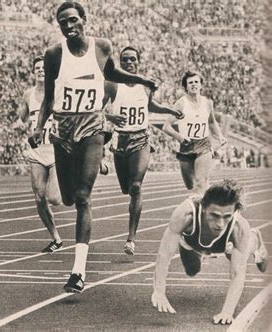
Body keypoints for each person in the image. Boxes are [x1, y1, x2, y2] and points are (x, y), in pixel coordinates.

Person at [30, 1, 158, 293]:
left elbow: (111, 73)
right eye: (63, 22)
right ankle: (83, 176)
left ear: (84, 20)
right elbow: (49, 98)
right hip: (63, 130)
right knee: (67, 199)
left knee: (83, 197)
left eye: (73, 20)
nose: (69, 26)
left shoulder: (102, 47)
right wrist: (39, 127)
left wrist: (141, 79)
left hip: (91, 127)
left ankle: (78, 272)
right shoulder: (53, 54)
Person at [151, 179, 268, 325]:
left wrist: (227, 311)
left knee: (234, 255)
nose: (220, 224)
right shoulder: (186, 213)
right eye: (215, 215)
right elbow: (164, 255)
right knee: (192, 270)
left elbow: (237, 274)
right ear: (204, 207)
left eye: (227, 217)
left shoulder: (239, 226)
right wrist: (159, 292)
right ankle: (198, 251)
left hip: (224, 244)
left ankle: (254, 239)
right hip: (193, 242)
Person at [104, 47, 184, 256]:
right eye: (125, 60)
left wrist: (168, 110)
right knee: (126, 189)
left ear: (139, 62)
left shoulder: (146, 86)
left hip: (141, 139)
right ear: (120, 64)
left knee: (136, 186)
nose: (129, 62)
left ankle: (131, 239)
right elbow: (98, 108)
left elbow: (150, 106)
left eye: (133, 59)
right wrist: (110, 118)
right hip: (120, 141)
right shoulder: (112, 85)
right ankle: (130, 197)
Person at [19, 55, 63, 253]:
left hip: (55, 150)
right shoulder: (28, 95)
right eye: (37, 68)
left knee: (54, 198)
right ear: (33, 72)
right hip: (37, 151)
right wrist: (21, 127)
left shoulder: (58, 92)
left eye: (44, 67)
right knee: (39, 198)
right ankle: (56, 238)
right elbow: (21, 119)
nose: (40, 70)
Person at [162, 70, 227, 195]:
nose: (194, 84)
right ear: (186, 87)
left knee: (200, 182)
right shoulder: (181, 104)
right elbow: (166, 126)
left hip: (203, 145)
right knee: (190, 185)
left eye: (196, 82)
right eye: (190, 82)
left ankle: (203, 208)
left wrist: (220, 136)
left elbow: (212, 122)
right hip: (186, 146)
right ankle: (206, 193)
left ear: (201, 85)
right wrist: (180, 137)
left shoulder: (208, 103)